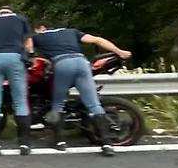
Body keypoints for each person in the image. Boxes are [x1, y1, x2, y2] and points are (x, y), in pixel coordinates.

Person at [32, 23, 132, 155]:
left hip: (62, 64)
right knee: (94, 104)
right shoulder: (71, 32)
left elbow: (27, 50)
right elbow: (97, 40)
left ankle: (59, 142)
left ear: (41, 28)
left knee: (58, 104)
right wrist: (120, 52)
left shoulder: (38, 37)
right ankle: (107, 144)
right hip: (82, 63)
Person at [0, 6, 34, 156]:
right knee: (20, 101)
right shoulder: (20, 18)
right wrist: (29, 56)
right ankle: (24, 144)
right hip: (15, 58)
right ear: (10, 12)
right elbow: (28, 43)